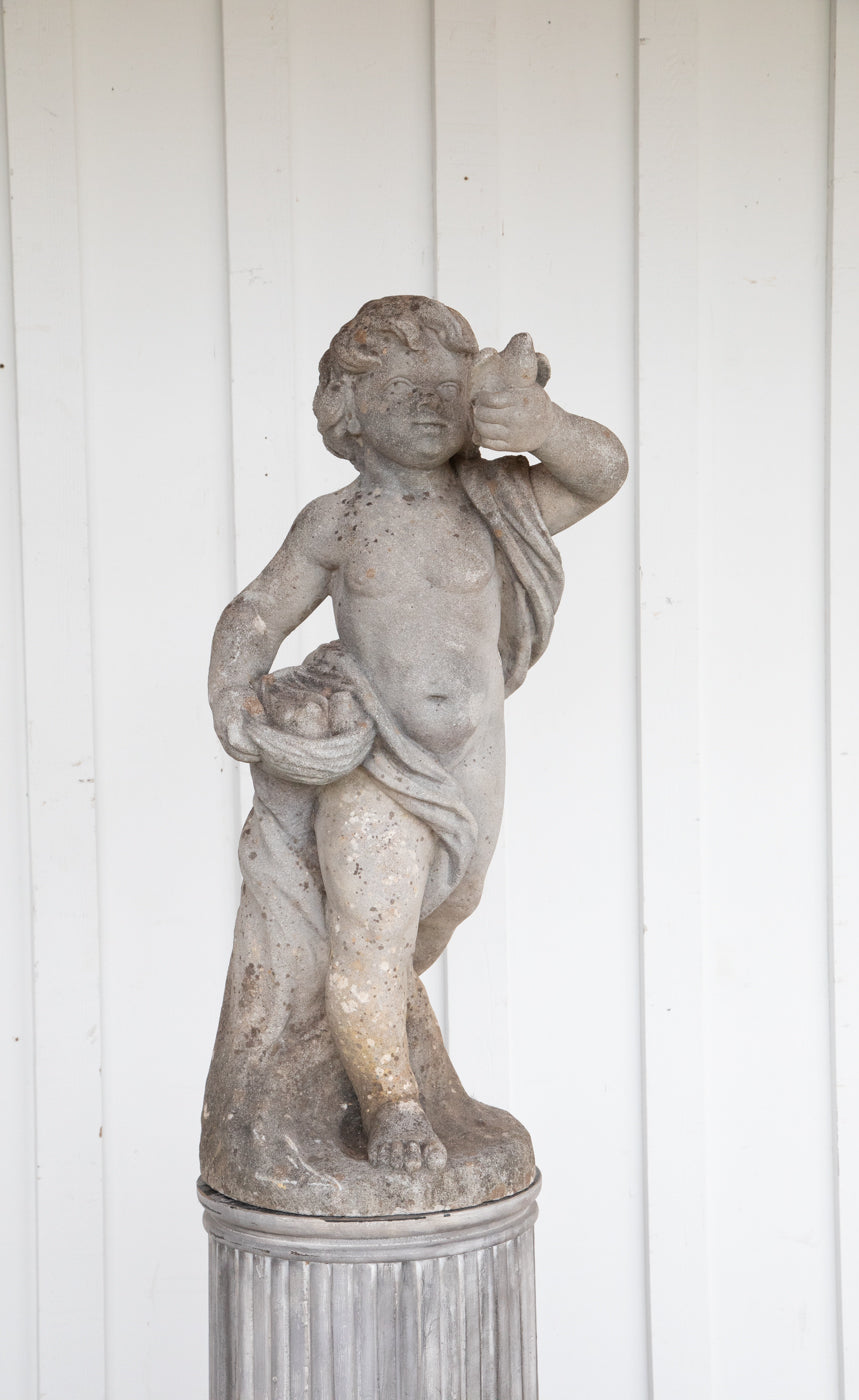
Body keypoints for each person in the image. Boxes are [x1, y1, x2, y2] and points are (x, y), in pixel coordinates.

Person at [206, 295, 627, 1180]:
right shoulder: (337, 521)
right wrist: (235, 698)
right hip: (372, 749)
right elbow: (254, 613)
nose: (431, 404)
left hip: (472, 753)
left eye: (447, 385)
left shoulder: (496, 501)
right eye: (401, 389)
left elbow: (601, 472)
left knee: (445, 911)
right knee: (371, 933)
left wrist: (542, 422)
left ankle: (358, 1045)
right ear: (348, 413)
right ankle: (392, 1104)